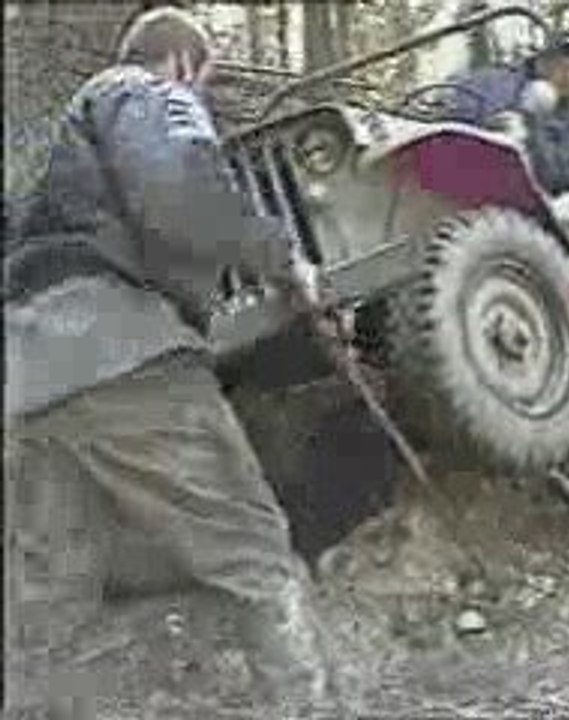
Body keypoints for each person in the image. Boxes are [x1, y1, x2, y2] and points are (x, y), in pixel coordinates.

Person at [4, 7, 335, 714]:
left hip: (28, 381)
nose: (202, 98)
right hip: (118, 355)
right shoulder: (141, 90)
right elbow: (180, 190)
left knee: (49, 599)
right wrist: (281, 259)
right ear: (184, 62)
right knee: (252, 551)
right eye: (203, 82)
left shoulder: (53, 148)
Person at [444, 30, 569, 196]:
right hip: (477, 194)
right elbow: (452, 133)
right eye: (562, 66)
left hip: (539, 207)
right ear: (542, 60)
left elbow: (563, 176)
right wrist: (488, 132)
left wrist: (531, 128)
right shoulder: (493, 84)